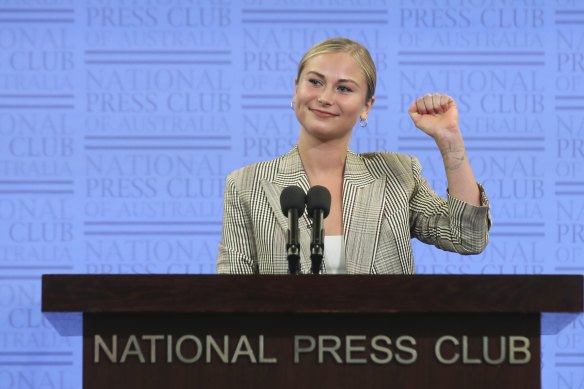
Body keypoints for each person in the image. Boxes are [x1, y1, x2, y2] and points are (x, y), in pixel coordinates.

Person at [217, 38, 491, 275]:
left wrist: (449, 140)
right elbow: (232, 292)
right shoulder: (246, 185)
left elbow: (467, 238)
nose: (325, 97)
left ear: (366, 106)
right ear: (296, 88)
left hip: (382, 336)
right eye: (315, 82)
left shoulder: (396, 174)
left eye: (344, 88)